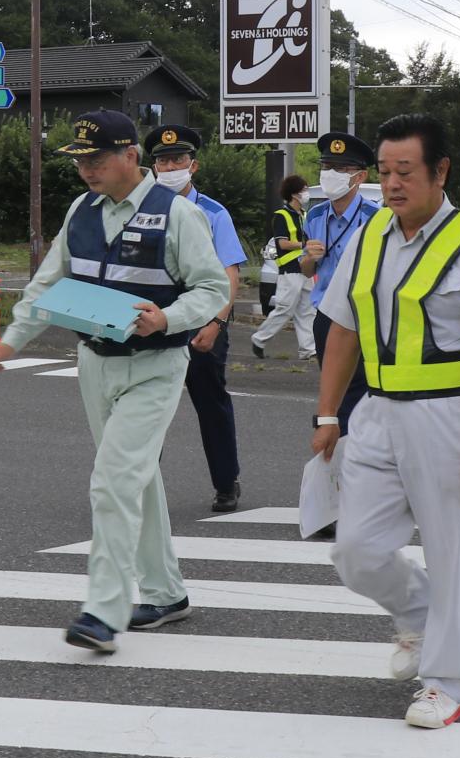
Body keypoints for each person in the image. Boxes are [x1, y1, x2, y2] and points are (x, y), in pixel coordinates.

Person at [0, 110, 230, 653]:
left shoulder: (179, 215)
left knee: (114, 480)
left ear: (130, 157)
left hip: (156, 364)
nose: (87, 171)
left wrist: (167, 318)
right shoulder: (81, 210)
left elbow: (213, 289)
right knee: (135, 478)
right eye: (80, 162)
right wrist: (12, 339)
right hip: (94, 360)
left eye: (97, 160)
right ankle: (166, 594)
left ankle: (103, 610)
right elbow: (49, 281)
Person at [311, 113, 460, 730]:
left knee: (455, 550)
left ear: (440, 172)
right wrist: (328, 413)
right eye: (385, 172)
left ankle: (449, 681)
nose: (394, 184)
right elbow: (343, 328)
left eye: (406, 171)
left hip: (452, 417)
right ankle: (419, 615)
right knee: (354, 549)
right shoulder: (370, 236)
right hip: (376, 412)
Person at [146, 123, 245, 512]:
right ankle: (141, 484)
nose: (170, 166)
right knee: (150, 406)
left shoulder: (213, 213)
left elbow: (229, 273)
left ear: (194, 165)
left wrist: (215, 324)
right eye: (162, 160)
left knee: (210, 403)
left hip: (202, 324)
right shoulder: (142, 207)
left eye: (178, 159)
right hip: (154, 323)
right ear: (153, 167)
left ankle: (226, 482)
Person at [300, 131, 379, 429]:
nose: (331, 174)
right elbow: (307, 271)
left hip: (360, 316)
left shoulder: (375, 217)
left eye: (341, 169)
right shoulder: (315, 215)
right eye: (326, 167)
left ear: (360, 176)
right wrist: (309, 257)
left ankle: (349, 440)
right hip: (325, 314)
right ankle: (337, 436)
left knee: (360, 388)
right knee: (332, 387)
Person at [250, 173, 315, 360]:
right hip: (290, 269)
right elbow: (282, 244)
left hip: (305, 268)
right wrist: (305, 246)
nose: (306, 193)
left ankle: (308, 350)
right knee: (285, 309)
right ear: (294, 194)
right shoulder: (282, 216)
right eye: (304, 190)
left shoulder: (303, 215)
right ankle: (259, 339)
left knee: (307, 310)